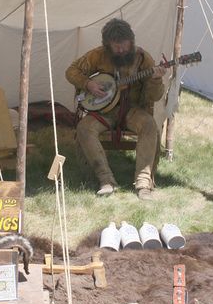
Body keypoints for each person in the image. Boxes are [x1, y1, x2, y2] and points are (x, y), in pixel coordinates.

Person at [65, 18, 168, 200]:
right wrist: (88, 84)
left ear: (131, 41)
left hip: (133, 110)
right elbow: (71, 71)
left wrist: (156, 79)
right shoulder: (97, 55)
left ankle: (143, 183)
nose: (121, 50)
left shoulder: (143, 59)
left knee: (150, 125)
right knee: (84, 128)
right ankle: (106, 180)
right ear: (107, 45)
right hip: (104, 111)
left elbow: (155, 96)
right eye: (116, 46)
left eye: (125, 45)